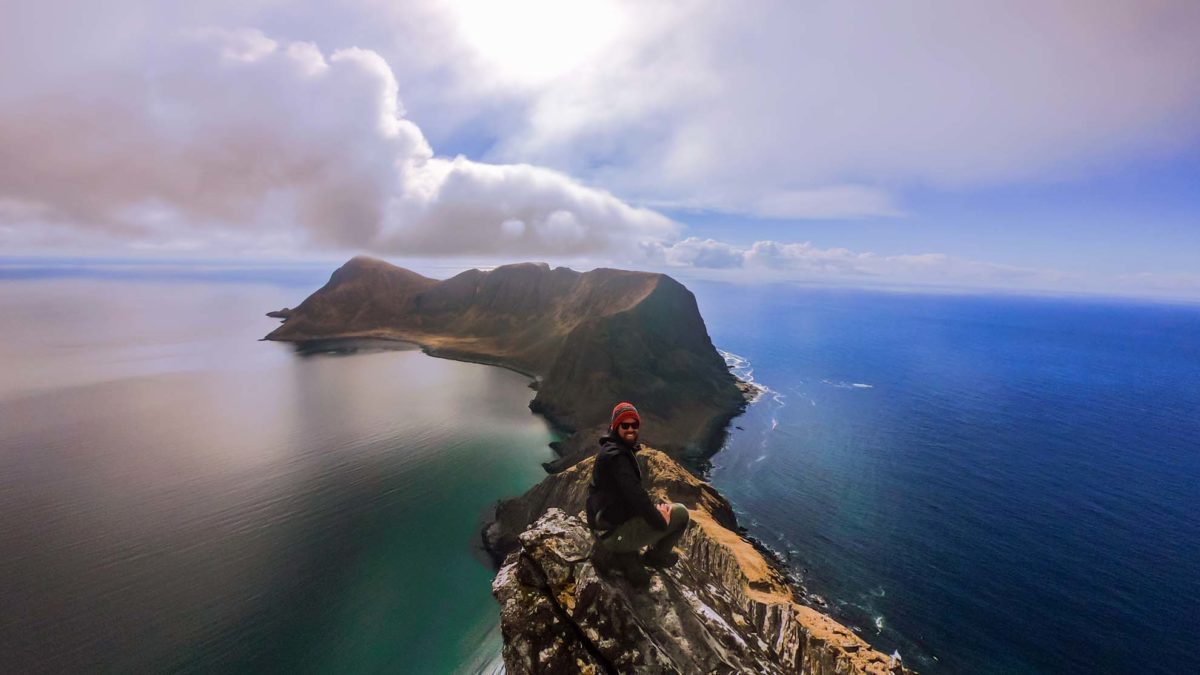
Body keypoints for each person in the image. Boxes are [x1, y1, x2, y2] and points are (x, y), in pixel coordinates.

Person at [586, 402, 690, 586]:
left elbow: (628, 496)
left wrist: (653, 510)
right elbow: (636, 496)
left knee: (659, 507)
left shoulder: (611, 449)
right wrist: (660, 520)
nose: (630, 429)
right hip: (613, 535)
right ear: (615, 427)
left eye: (634, 425)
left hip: (606, 527)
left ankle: (630, 555)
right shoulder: (618, 458)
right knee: (681, 513)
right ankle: (656, 558)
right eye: (625, 425)